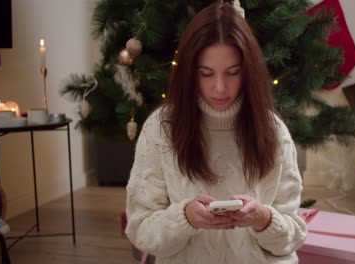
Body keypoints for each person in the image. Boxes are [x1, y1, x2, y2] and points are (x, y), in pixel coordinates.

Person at [125, 2, 307, 263]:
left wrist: (264, 220)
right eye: (206, 74)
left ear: (248, 72)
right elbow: (141, 230)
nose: (220, 88)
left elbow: (294, 235)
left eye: (232, 73)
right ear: (190, 72)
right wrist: (185, 217)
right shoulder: (161, 128)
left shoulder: (273, 131)